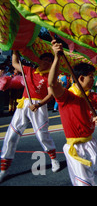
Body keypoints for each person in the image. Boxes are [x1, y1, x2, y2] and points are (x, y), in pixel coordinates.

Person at [49, 40, 97, 185]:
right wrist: (57, 58)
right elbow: (52, 84)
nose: (93, 79)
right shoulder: (66, 96)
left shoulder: (92, 96)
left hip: (92, 143)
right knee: (84, 183)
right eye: (91, 76)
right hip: (75, 148)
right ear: (81, 78)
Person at [0, 51, 60, 182]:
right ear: (39, 60)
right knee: (11, 135)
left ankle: (54, 159)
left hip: (39, 106)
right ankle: (4, 169)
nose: (47, 62)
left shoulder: (50, 76)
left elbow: (51, 95)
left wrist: (38, 105)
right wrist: (15, 50)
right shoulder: (29, 70)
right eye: (44, 59)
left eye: (49, 60)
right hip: (23, 104)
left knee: (42, 135)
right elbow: (15, 63)